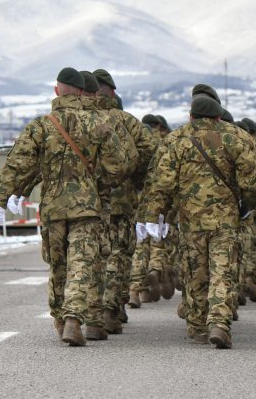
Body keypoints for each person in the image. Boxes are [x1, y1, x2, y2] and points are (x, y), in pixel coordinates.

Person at [0, 67, 133, 346]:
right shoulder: (99, 123)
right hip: (88, 208)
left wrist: (4, 198)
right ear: (82, 91)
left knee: (58, 265)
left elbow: (18, 164)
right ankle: (73, 319)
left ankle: (60, 319)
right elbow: (121, 164)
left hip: (53, 208)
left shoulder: (42, 125)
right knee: (82, 263)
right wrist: (98, 184)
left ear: (57, 91)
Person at [138, 95, 256, 349]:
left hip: (191, 220)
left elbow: (161, 183)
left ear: (191, 116)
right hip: (225, 219)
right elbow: (253, 177)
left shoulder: (176, 140)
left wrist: (154, 214)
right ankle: (219, 322)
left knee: (195, 271)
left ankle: (196, 325)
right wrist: (247, 206)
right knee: (222, 271)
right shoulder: (234, 136)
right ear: (218, 116)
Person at [92, 69, 157, 329]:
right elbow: (151, 151)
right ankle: (111, 309)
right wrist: (136, 179)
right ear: (113, 92)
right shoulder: (126, 121)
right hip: (121, 201)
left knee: (89, 257)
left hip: (85, 204)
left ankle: (91, 312)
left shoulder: (76, 119)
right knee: (118, 255)